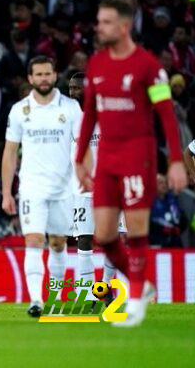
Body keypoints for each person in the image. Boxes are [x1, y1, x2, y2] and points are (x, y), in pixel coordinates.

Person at [75, 0, 187, 327]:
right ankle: (143, 283)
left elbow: (167, 116)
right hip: (107, 157)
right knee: (105, 235)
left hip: (139, 155)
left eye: (106, 22)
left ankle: (136, 299)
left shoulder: (149, 66)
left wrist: (176, 161)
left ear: (124, 26)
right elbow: (90, 116)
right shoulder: (95, 64)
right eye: (99, 21)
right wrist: (81, 158)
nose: (100, 27)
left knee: (135, 232)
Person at [2, 56, 82, 318]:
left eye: (47, 74)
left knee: (58, 244)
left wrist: (85, 178)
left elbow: (83, 148)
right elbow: (10, 152)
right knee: (34, 240)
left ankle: (56, 297)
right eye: (38, 74)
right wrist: (6, 192)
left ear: (55, 75)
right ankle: (36, 299)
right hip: (31, 188)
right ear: (30, 78)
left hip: (64, 188)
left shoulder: (71, 108)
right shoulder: (19, 110)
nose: (43, 79)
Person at [68, 72, 126, 306]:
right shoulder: (69, 118)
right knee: (84, 239)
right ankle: (90, 294)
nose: (73, 92)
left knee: (115, 238)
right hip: (80, 189)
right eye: (70, 88)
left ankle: (104, 287)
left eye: (77, 88)